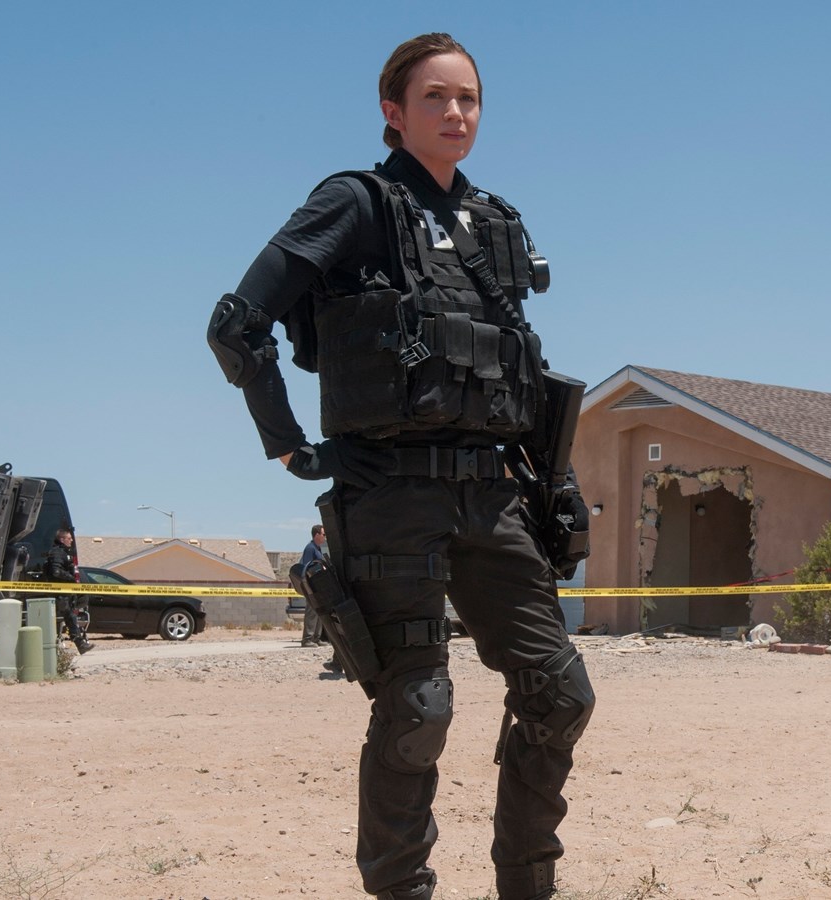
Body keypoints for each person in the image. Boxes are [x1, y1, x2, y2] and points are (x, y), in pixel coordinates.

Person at [206, 33, 593, 900]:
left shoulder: (495, 220)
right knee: (418, 710)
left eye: (468, 99)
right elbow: (237, 323)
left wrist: (556, 483)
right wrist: (292, 446)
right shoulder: (354, 203)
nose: (455, 113)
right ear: (393, 111)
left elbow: (517, 364)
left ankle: (527, 884)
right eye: (434, 98)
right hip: (390, 495)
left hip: (493, 495)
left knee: (561, 693)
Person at [42, 528, 92, 654]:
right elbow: (56, 571)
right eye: (69, 538)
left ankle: (79, 644)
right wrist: (71, 578)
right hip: (58, 593)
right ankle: (78, 644)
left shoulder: (63, 552)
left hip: (64, 593)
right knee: (68, 617)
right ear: (62, 539)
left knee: (69, 618)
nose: (71, 541)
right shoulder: (57, 552)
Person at [299, 524, 329, 647]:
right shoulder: (310, 548)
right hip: (312, 585)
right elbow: (307, 567)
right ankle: (307, 639)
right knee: (311, 611)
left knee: (319, 611)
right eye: (324, 534)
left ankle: (316, 638)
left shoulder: (319, 549)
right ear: (317, 535)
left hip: (319, 585)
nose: (325, 537)